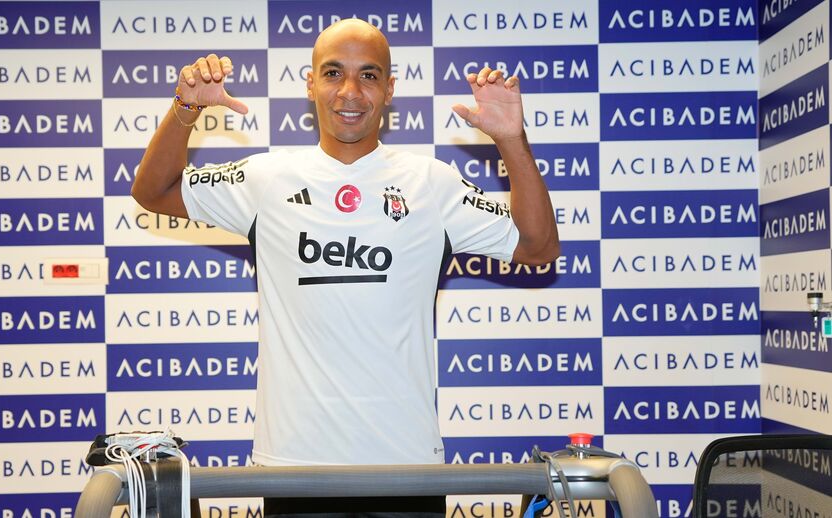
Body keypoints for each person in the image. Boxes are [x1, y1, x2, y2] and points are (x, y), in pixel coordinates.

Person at [131, 18, 559, 517]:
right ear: (310, 84)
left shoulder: (431, 182)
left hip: (407, 469)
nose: (350, 91)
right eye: (333, 73)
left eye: (368, 75)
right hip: (294, 469)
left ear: (390, 89)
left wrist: (510, 139)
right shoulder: (266, 178)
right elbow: (153, 191)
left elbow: (538, 247)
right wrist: (185, 109)